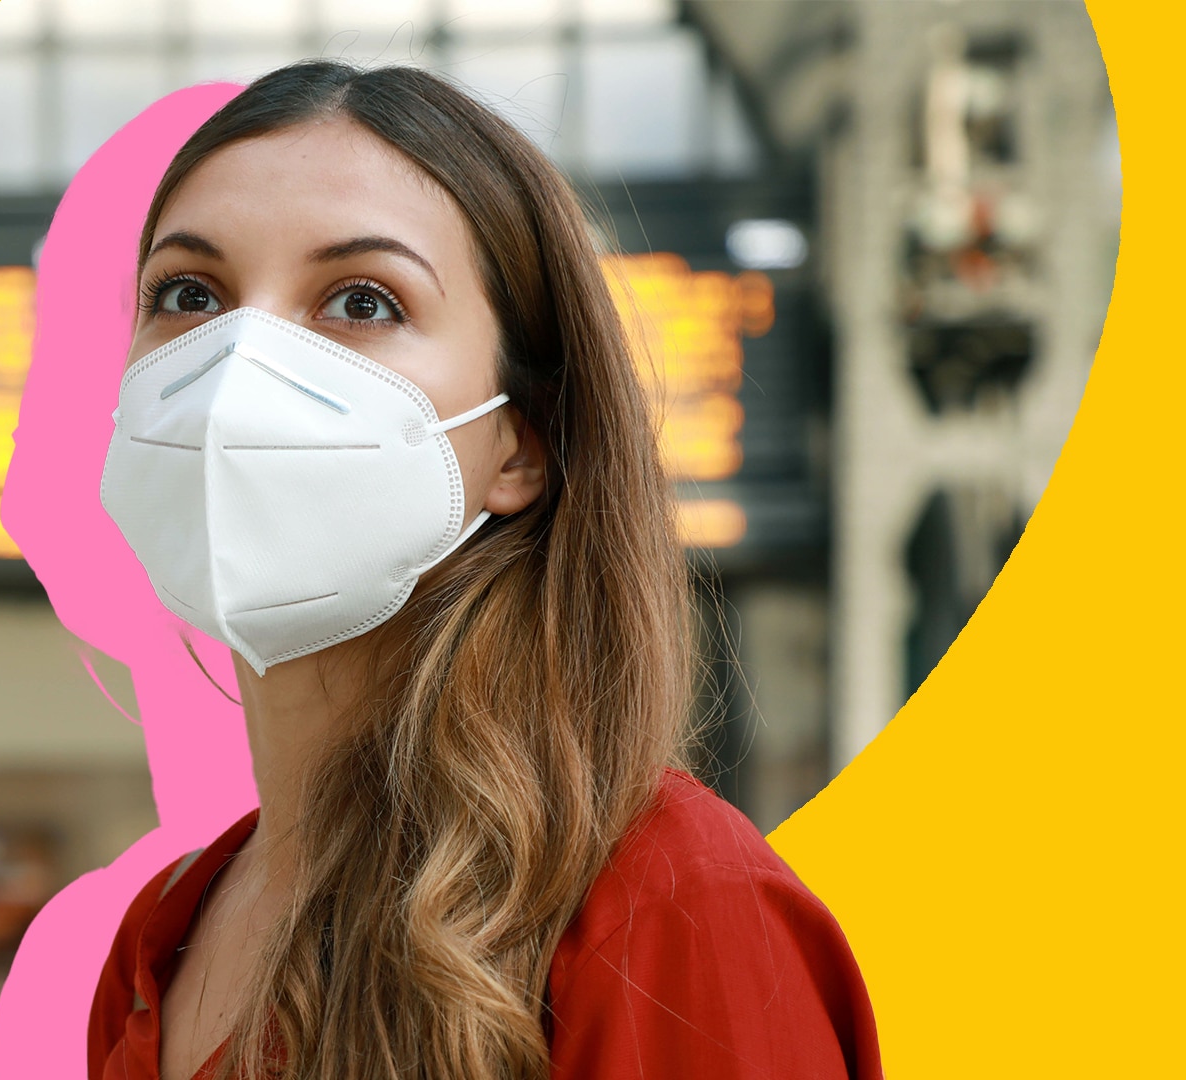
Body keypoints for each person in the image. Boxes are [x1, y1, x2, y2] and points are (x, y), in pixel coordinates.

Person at [88, 60, 881, 1080]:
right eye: (187, 293)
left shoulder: (666, 906)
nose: (237, 372)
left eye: (361, 302)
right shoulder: (160, 942)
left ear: (519, 443)